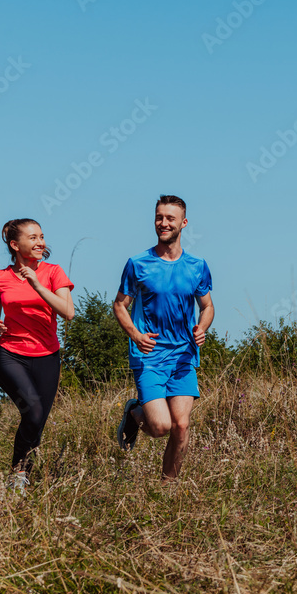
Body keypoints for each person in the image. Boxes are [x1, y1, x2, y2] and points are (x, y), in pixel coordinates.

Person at [113, 195, 214, 480]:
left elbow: (207, 306)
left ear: (183, 223)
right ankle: (135, 412)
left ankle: (168, 488)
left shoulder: (197, 266)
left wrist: (202, 327)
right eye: (159, 217)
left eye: (170, 218)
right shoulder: (138, 263)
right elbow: (120, 304)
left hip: (183, 355)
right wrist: (135, 334)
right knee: (160, 428)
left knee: (181, 426)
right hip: (150, 356)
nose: (163, 223)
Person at [0, 219, 74, 493]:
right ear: (15, 245)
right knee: (33, 412)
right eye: (33, 237)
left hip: (47, 357)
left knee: (37, 423)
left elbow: (67, 312)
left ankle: (22, 482)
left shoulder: (53, 273)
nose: (40, 242)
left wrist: (37, 285)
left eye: (42, 236)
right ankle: (18, 474)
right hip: (11, 355)